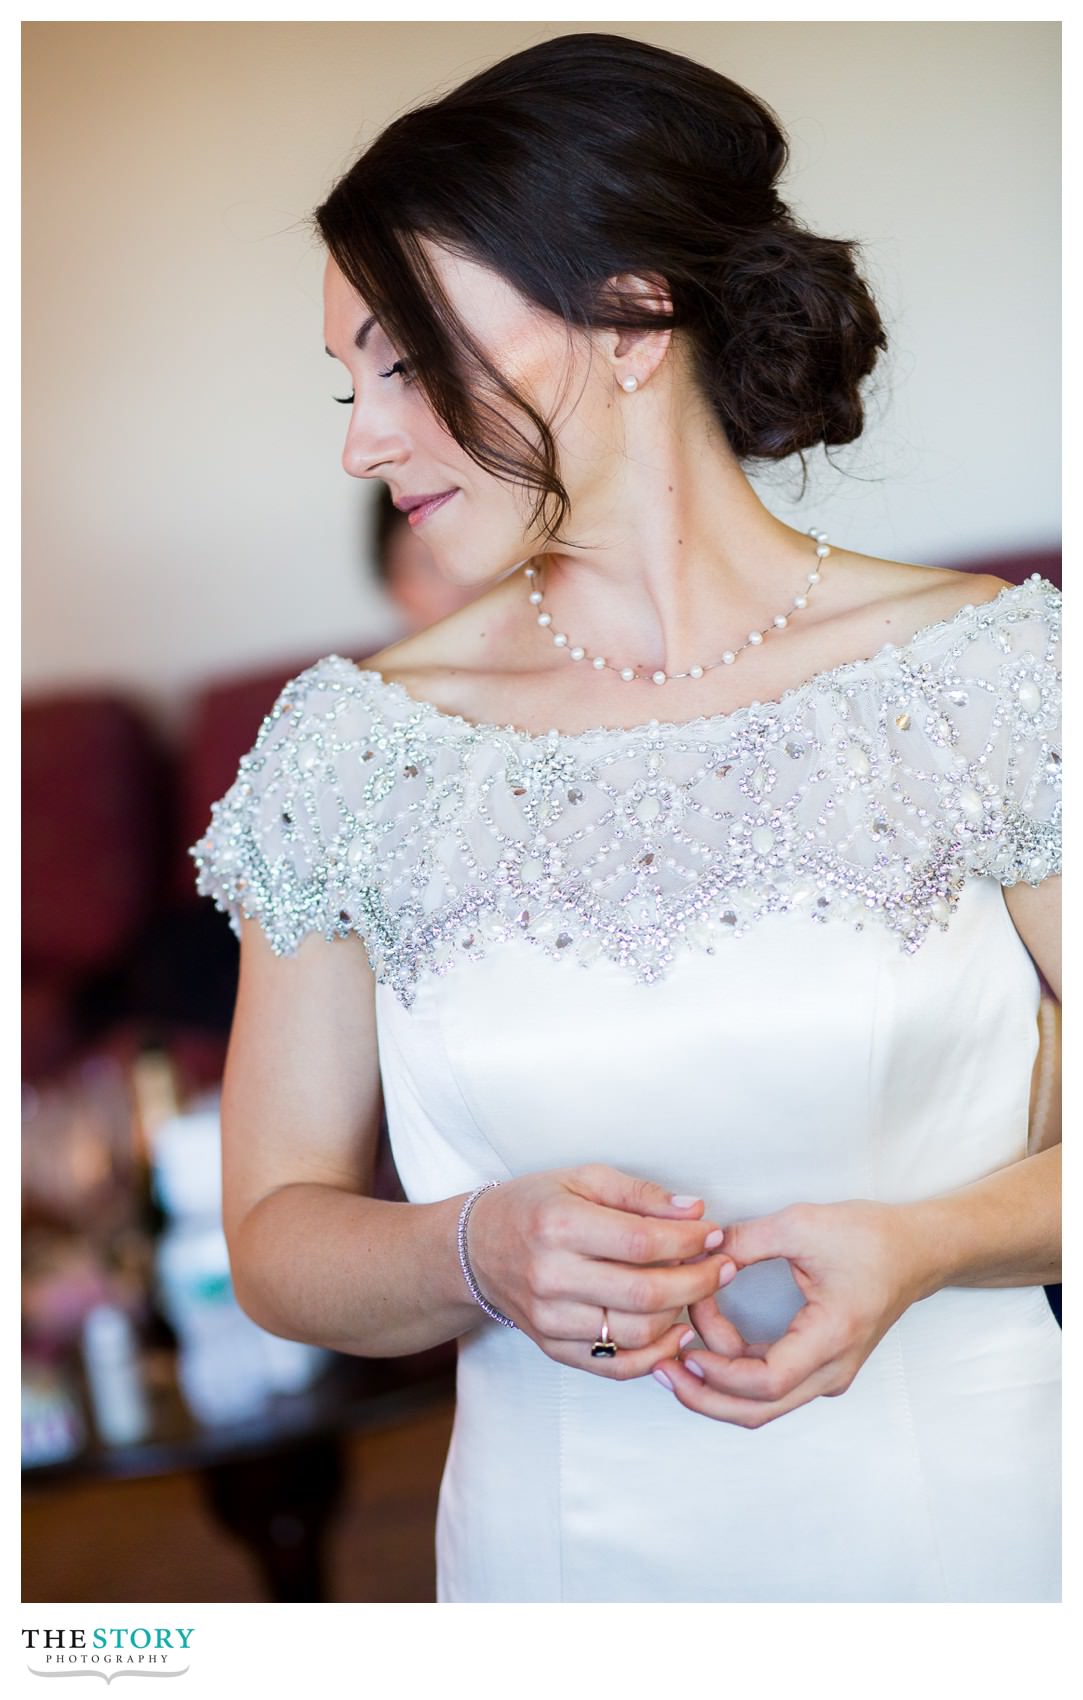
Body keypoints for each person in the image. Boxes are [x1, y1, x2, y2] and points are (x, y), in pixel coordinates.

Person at [190, 33, 1061, 1602]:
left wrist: (933, 1247)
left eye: (406, 359)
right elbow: (274, 1239)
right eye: (349, 380)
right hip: (562, 1564)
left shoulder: (991, 678)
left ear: (634, 314)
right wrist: (474, 1252)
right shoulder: (351, 753)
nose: (361, 439)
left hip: (979, 1533)